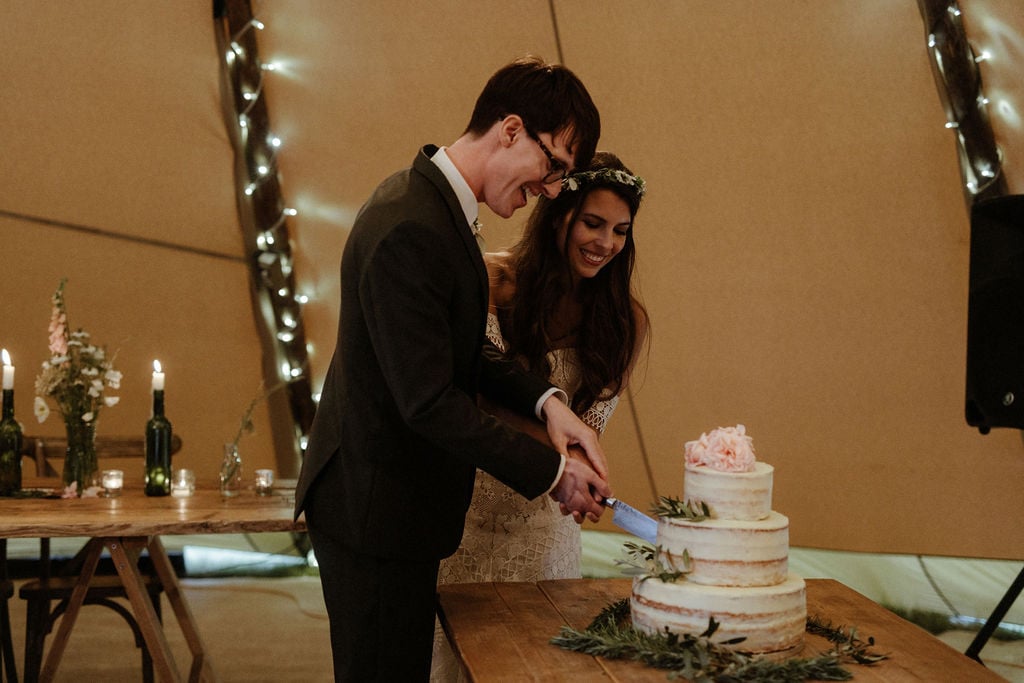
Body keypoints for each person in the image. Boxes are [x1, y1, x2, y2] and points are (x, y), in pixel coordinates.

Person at [294, 56, 614, 682]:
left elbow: (463, 349)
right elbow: (428, 400)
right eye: (554, 167)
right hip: (373, 511)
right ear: (512, 130)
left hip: (394, 506)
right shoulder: (410, 227)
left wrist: (550, 404)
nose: (550, 191)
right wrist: (552, 472)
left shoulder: (438, 207)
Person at [430, 152, 649, 681]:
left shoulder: (626, 321)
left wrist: (582, 473)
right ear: (558, 217)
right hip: (465, 519)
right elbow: (475, 394)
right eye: (592, 223)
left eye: (620, 231)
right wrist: (560, 463)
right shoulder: (492, 281)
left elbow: (587, 430)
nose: (605, 243)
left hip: (546, 535)